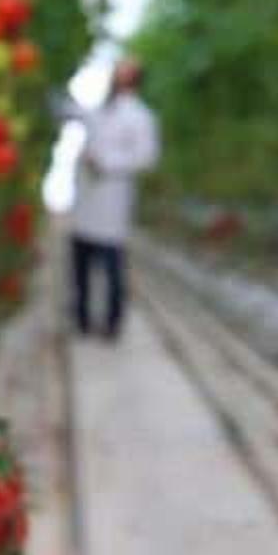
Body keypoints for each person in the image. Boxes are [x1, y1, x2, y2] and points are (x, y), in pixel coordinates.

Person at [63, 58, 159, 342]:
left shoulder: (141, 116)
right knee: (80, 265)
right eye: (117, 71)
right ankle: (81, 320)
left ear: (135, 79)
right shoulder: (99, 109)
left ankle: (112, 324)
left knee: (112, 266)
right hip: (87, 200)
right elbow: (74, 113)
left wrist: (107, 162)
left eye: (124, 72)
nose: (117, 76)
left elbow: (146, 157)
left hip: (112, 198)